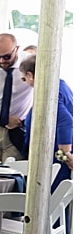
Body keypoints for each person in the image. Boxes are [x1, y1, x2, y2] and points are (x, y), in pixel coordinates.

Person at [19, 54, 73, 190]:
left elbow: (65, 120)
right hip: (52, 153)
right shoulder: (60, 84)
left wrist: (65, 155)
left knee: (53, 198)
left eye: (23, 78)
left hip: (56, 157)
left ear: (30, 75)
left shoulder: (50, 91)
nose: (25, 82)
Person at [0, 32, 32, 161]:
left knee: (14, 171)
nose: (2, 61)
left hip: (19, 127)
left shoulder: (29, 63)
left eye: (7, 57)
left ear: (17, 49)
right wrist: (2, 119)